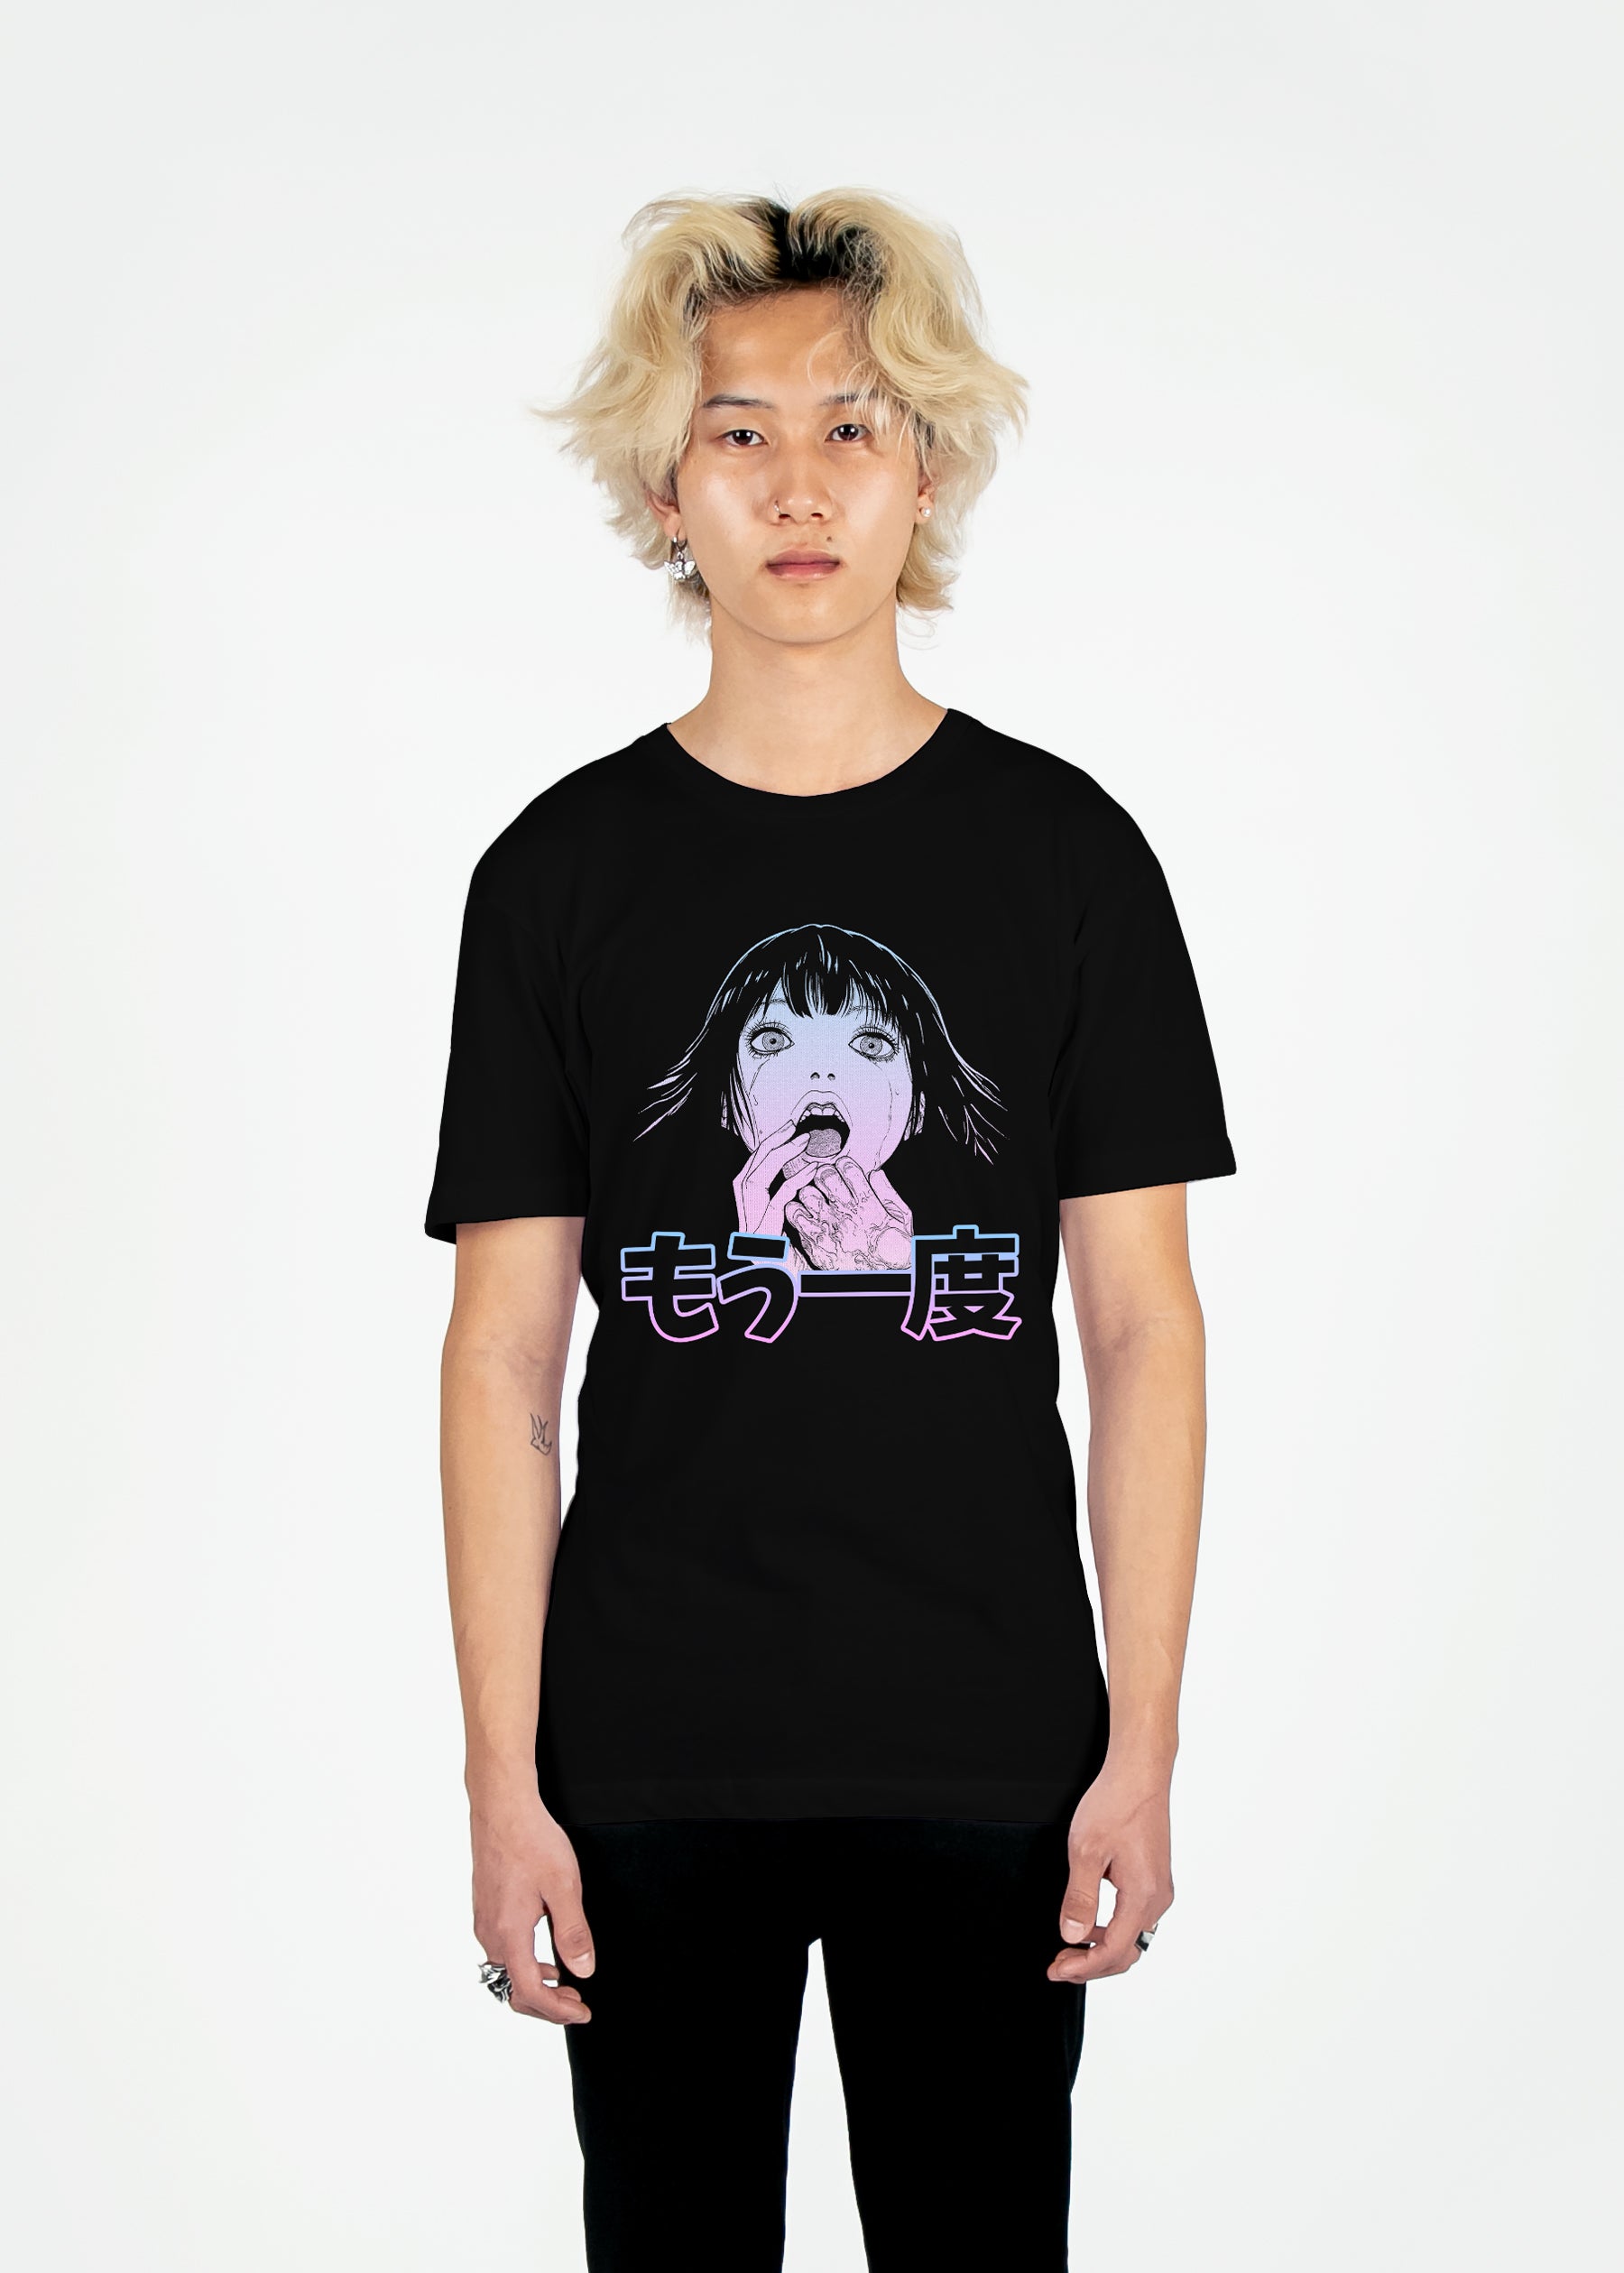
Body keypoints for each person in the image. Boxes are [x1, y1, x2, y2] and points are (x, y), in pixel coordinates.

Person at [425, 188, 1237, 2272]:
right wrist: (503, 1779)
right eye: (741, 433)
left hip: (991, 1744)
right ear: (663, 483)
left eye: (853, 427)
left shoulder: (1070, 862)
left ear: (928, 468)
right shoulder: (557, 879)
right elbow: (504, 1361)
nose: (799, 485)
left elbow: (1141, 1331)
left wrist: (1142, 1746)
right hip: (646, 1753)